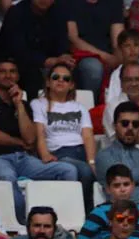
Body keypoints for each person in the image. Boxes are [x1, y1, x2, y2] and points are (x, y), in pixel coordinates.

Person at [0, 58, 75, 223]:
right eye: (3, 71)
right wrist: (20, 143)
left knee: (68, 170)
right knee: (7, 176)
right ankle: (24, 223)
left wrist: (19, 105)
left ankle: (62, 221)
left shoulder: (25, 105)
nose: (8, 75)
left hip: (23, 159)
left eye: (12, 71)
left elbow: (30, 138)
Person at [32, 65, 97, 211]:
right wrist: (44, 154)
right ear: (48, 82)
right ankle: (83, 212)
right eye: (56, 77)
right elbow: (40, 133)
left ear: (71, 85)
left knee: (91, 171)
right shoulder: (39, 104)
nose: (60, 81)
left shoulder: (80, 108)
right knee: (85, 172)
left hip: (79, 152)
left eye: (66, 79)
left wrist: (91, 161)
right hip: (58, 153)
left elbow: (87, 135)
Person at [0, 0, 75, 98]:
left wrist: (64, 57)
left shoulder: (59, 12)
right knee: (33, 76)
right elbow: (17, 50)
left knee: (70, 71)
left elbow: (62, 44)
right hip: (15, 62)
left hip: (49, 64)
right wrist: (48, 61)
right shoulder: (16, 12)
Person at [94, 102, 139, 210]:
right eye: (125, 123)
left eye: (135, 124)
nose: (130, 128)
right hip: (123, 213)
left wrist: (137, 180)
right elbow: (121, 179)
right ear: (114, 126)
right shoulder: (104, 155)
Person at [78, 164, 139, 239]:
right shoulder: (99, 212)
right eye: (116, 185)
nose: (122, 189)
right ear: (108, 189)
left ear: (133, 186)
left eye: (126, 184)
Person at [66, 0, 126, 95]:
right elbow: (73, 38)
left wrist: (119, 59)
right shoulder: (70, 3)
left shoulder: (115, 2)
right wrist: (105, 57)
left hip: (109, 54)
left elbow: (118, 40)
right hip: (82, 54)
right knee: (94, 68)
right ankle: (91, 107)